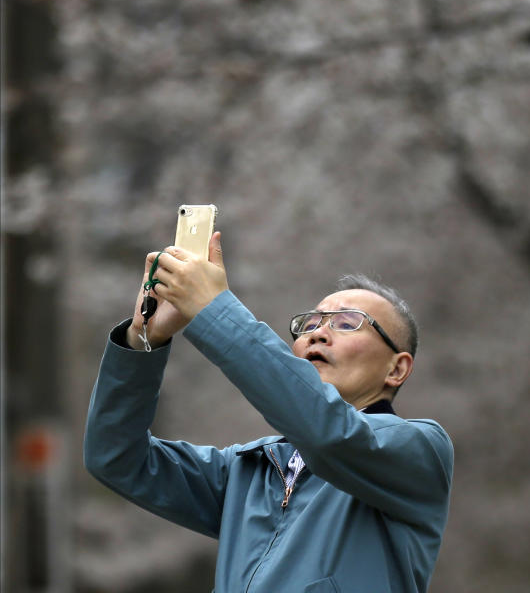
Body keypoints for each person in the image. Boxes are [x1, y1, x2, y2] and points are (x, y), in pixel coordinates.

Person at [84, 232, 454, 592]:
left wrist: (212, 309)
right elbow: (116, 458)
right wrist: (142, 338)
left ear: (397, 369)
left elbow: (327, 434)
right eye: (310, 324)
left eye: (346, 323)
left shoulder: (419, 451)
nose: (318, 334)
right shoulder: (249, 470)